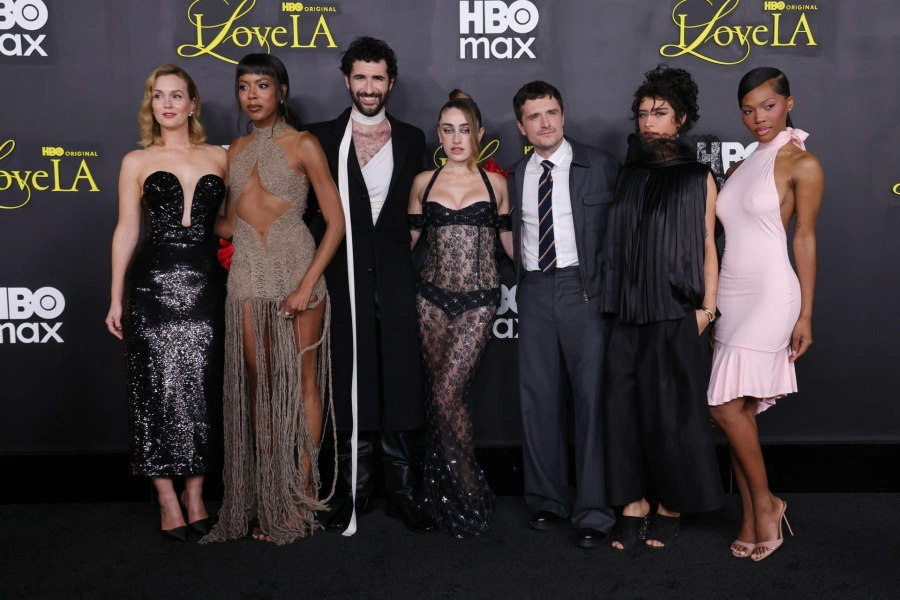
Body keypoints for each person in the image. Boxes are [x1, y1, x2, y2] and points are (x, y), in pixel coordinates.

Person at [202, 54, 345, 545]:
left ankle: (300, 498)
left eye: (262, 85)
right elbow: (229, 222)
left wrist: (306, 285)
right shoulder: (236, 149)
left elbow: (336, 222)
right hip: (247, 278)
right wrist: (188, 214)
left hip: (298, 273)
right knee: (261, 388)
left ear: (281, 91)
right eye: (244, 86)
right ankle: (269, 497)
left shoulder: (304, 143)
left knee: (303, 384)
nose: (252, 95)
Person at [304, 37, 435, 534]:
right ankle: (352, 492)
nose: (369, 87)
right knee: (347, 377)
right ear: (347, 80)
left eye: (377, 77)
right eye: (360, 77)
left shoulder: (412, 138)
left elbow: (416, 212)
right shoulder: (320, 138)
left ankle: (402, 492)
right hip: (341, 274)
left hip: (398, 275)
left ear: (391, 82)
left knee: (400, 376)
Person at [601, 65, 723, 550]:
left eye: (660, 112)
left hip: (676, 310)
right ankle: (633, 502)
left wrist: (707, 310)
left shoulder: (697, 176)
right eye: (643, 113)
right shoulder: (628, 173)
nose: (648, 122)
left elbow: (709, 244)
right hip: (627, 312)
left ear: (681, 118)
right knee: (622, 412)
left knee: (673, 416)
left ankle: (672, 503)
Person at [106, 64, 227, 542]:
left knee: (201, 389)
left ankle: (196, 495)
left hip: (205, 285)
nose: (168, 104)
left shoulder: (221, 156)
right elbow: (126, 230)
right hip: (151, 285)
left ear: (192, 103)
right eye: (159, 96)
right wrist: (115, 297)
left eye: (177, 95)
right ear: (150, 105)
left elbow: (228, 224)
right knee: (152, 388)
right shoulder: (136, 161)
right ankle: (166, 497)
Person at [708, 67, 823, 562]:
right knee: (740, 413)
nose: (759, 117)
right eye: (748, 110)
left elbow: (805, 239)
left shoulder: (803, 163)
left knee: (724, 407)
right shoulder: (740, 164)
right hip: (731, 296)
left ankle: (767, 504)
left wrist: (806, 315)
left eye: (769, 106)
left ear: (789, 103)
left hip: (773, 293)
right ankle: (751, 517)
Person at [507, 81, 620, 549]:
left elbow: (620, 236)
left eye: (551, 112)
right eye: (534, 116)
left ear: (563, 115)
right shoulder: (516, 173)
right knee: (538, 399)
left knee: (591, 400)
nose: (545, 123)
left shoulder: (601, 165)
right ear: (521, 126)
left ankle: (594, 511)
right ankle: (547, 500)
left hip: (584, 290)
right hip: (534, 289)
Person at [407, 90, 513, 537]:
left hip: (478, 301)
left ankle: (467, 489)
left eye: (464, 130)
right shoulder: (423, 182)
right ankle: (440, 491)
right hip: (430, 298)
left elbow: (511, 246)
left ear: (479, 134)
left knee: (448, 394)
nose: (455, 138)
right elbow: (407, 243)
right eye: (448, 130)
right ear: (438, 133)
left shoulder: (496, 185)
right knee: (440, 396)